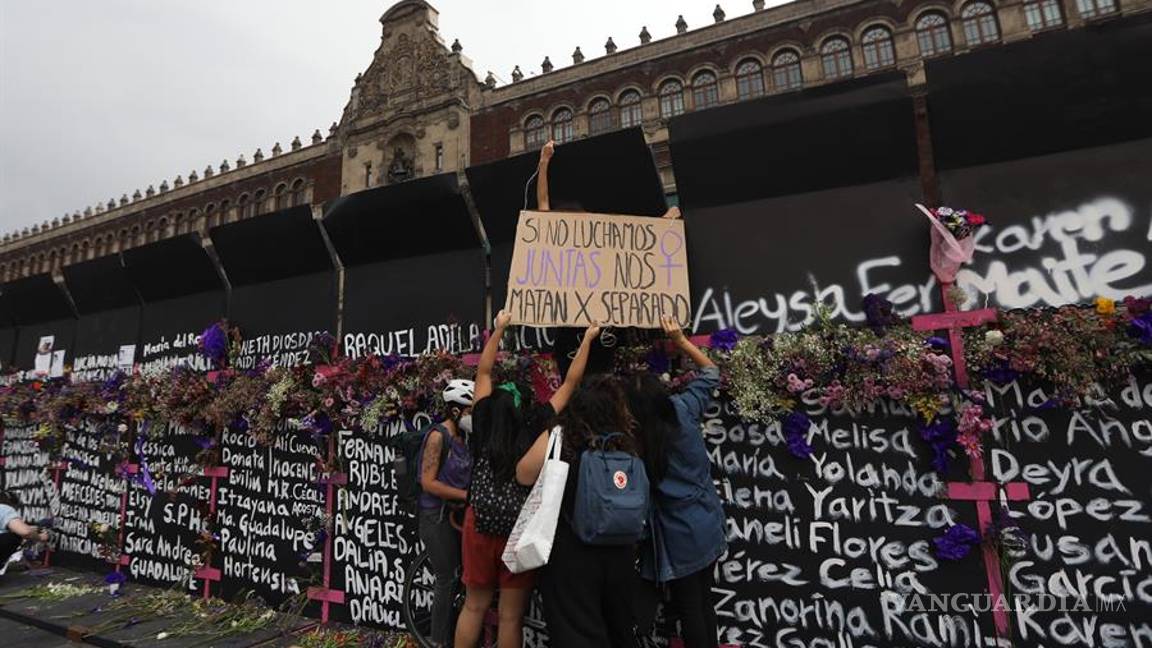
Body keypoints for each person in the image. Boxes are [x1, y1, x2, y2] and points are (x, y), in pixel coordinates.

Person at [455, 310, 598, 648]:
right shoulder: (537, 423)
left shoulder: (483, 420)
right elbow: (570, 384)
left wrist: (501, 327)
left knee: (474, 606)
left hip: (479, 523)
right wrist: (589, 338)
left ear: (492, 406)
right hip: (517, 531)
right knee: (509, 616)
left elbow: (484, 370)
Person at [516, 374, 644, 648]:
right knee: (621, 631)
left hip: (572, 556)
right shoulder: (625, 442)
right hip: (621, 553)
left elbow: (523, 474)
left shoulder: (560, 438)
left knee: (576, 633)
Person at [629, 316, 726, 648]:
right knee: (704, 602)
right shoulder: (682, 409)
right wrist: (681, 340)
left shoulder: (634, 441)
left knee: (690, 609)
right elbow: (711, 372)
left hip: (676, 537)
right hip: (707, 522)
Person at [418, 379, 475, 648]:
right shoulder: (438, 436)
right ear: (455, 410)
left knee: (460, 576)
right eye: (469, 410)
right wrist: (465, 496)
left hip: (456, 516)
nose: (471, 416)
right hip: (435, 517)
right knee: (446, 577)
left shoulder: (463, 438)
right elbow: (428, 482)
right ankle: (438, 641)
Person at [0, 492, 48, 566]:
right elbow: (25, 532)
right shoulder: (4, 508)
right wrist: (40, 537)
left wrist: (33, 529)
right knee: (15, 537)